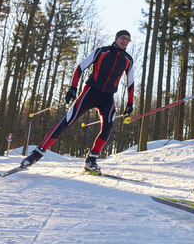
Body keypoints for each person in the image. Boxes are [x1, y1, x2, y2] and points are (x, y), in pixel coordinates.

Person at [17, 30, 135, 173]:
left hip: (108, 97)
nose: (125, 41)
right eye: (123, 38)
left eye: (128, 40)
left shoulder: (128, 60)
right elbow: (80, 68)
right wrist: (73, 88)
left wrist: (129, 103)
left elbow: (130, 83)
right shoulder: (101, 52)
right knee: (67, 121)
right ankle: (35, 155)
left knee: (108, 126)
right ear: (116, 38)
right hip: (91, 92)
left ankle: (91, 159)